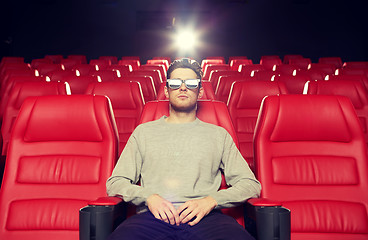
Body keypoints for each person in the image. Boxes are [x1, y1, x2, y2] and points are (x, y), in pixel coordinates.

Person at [106, 58, 261, 240]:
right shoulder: (143, 132)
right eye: (175, 83)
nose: (183, 88)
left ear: (200, 91)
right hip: (152, 217)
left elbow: (251, 185)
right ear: (166, 90)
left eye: (191, 83)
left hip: (205, 217)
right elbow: (115, 182)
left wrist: (211, 201)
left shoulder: (219, 134)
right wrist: (148, 197)